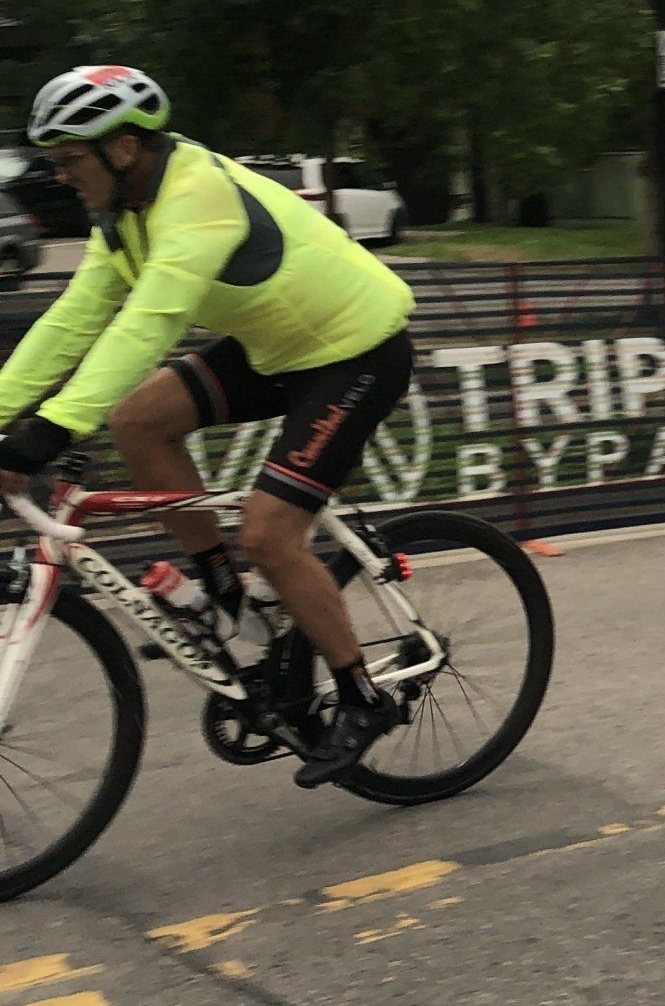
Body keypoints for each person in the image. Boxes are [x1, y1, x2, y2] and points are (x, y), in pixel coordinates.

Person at [0, 64, 417, 785]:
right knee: (138, 422)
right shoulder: (124, 213)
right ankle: (226, 596)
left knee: (270, 532)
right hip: (278, 346)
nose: (60, 175)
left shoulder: (196, 198)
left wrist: (48, 432)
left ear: (123, 148)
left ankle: (361, 694)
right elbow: (74, 320)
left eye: (69, 159)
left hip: (355, 351)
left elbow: (148, 325)